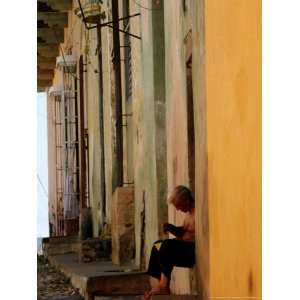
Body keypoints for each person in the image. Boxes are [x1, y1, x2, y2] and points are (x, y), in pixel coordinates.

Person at [144, 185, 195, 299]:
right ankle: (157, 285)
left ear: (186, 201)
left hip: (192, 252)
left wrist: (176, 233)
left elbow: (189, 237)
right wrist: (171, 228)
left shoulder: (196, 213)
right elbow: (183, 232)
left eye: (179, 206)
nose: (177, 209)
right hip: (184, 247)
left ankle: (164, 285)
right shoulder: (188, 214)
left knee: (166, 245)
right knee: (157, 245)